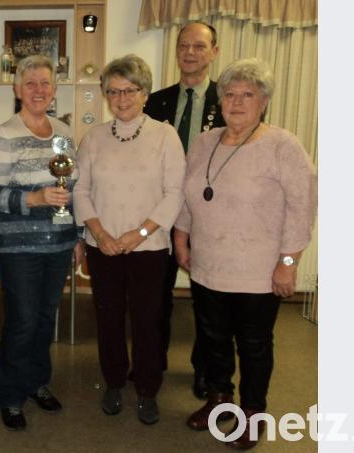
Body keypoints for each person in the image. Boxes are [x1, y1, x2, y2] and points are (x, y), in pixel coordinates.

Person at [176, 58, 316, 450]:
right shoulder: (205, 142)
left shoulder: (282, 145)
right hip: (207, 265)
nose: (237, 102)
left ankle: (253, 412)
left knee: (253, 344)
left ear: (264, 101)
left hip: (258, 270)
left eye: (248, 95)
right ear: (220, 101)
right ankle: (220, 399)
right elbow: (190, 192)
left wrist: (288, 264)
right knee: (212, 339)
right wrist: (181, 237)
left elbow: (302, 206)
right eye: (230, 94)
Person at [73, 55, 186, 425]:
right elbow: (81, 190)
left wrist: (137, 234)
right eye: (113, 91)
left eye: (130, 90)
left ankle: (147, 390)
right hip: (103, 246)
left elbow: (174, 193)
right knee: (108, 318)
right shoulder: (94, 137)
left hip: (149, 248)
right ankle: (114, 381)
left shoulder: (165, 135)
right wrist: (102, 234)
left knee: (147, 321)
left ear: (145, 93)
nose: (121, 98)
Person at [0, 55, 82, 432]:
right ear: (17, 90)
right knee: (21, 321)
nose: (39, 90)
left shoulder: (63, 135)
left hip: (58, 245)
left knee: (44, 319)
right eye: (31, 83)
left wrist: (77, 235)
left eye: (45, 83)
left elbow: (73, 188)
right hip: (18, 249)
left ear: (54, 90)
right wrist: (32, 200)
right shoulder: (3, 135)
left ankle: (37, 382)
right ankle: (9, 394)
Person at [143, 21, 225, 400]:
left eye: (199, 46)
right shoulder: (155, 101)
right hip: (161, 215)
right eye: (183, 46)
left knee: (208, 301)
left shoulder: (229, 102)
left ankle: (205, 371)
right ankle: (151, 363)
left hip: (208, 217)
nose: (189, 52)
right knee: (155, 299)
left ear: (214, 51)